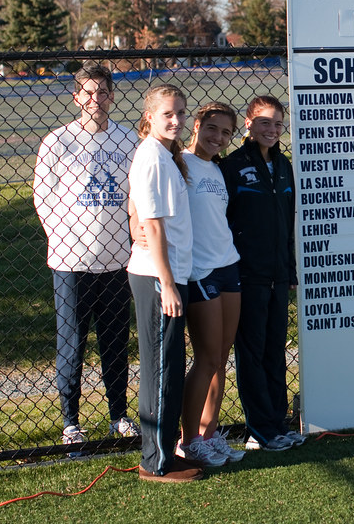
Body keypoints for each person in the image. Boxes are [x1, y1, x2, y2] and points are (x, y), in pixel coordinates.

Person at [131, 102, 246, 467]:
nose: (217, 137)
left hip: (228, 264)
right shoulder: (176, 160)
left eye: (226, 132)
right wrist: (137, 226)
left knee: (221, 357)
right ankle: (189, 440)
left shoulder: (218, 168)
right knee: (207, 356)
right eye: (211, 128)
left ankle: (210, 435)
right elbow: (143, 201)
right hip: (198, 272)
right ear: (196, 125)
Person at [32, 61, 140, 447]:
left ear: (112, 95)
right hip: (71, 262)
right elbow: (43, 200)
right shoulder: (58, 142)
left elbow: (138, 195)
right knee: (72, 342)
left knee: (115, 341)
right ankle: (70, 423)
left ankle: (118, 416)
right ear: (77, 96)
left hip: (117, 260)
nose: (96, 99)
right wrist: (66, 240)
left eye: (103, 92)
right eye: (89, 92)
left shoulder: (128, 140)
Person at [219, 96, 304, 451]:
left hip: (278, 276)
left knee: (275, 351)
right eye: (264, 122)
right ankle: (260, 429)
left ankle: (278, 422)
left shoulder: (284, 166)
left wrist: (290, 269)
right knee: (251, 353)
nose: (272, 130)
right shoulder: (233, 167)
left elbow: (288, 223)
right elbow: (222, 223)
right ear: (249, 124)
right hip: (246, 276)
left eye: (277, 124)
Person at [127, 84, 202, 482]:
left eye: (180, 113)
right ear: (150, 117)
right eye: (168, 114)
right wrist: (167, 282)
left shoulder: (162, 155)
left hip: (172, 274)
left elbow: (137, 205)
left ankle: (164, 455)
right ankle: (154, 462)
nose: (176, 121)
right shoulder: (152, 157)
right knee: (160, 368)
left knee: (170, 364)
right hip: (159, 277)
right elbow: (153, 227)